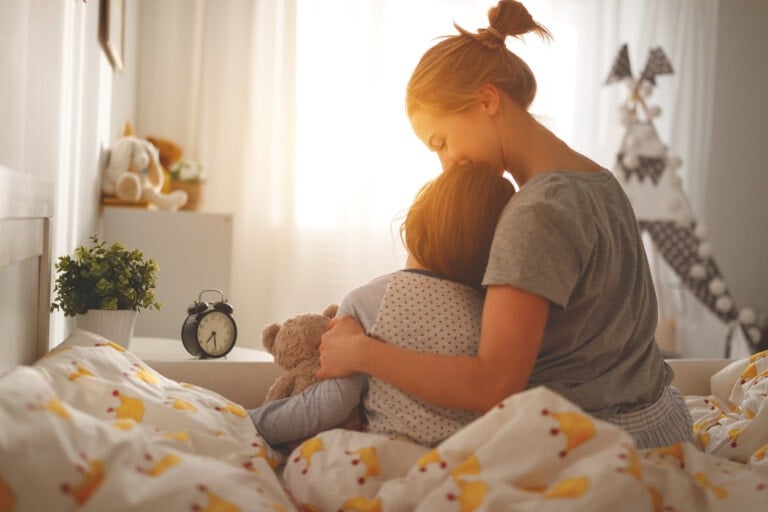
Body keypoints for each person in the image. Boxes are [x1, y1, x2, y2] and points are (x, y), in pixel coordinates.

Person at [316, 0, 693, 450]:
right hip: (664, 419)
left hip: (595, 440)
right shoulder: (598, 179)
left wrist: (361, 352)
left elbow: (493, 386)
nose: (445, 163)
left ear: (487, 100)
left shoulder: (536, 212)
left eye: (442, 141)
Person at [249, 162, 515, 447]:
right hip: (463, 463)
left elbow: (331, 405)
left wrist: (251, 423)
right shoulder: (493, 312)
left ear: (415, 220)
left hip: (387, 455)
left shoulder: (367, 301)